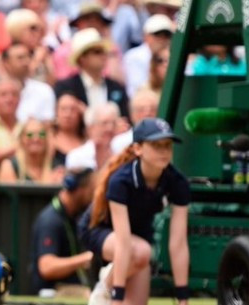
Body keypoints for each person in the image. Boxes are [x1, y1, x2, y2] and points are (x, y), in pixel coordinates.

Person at [80, 118, 190, 305]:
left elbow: (178, 243)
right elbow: (123, 244)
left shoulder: (177, 181)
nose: (164, 151)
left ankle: (111, 277)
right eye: (156, 145)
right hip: (99, 231)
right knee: (140, 251)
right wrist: (115, 295)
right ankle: (104, 286)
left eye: (168, 146)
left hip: (137, 242)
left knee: (140, 254)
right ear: (138, 149)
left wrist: (183, 299)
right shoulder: (121, 181)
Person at [30, 168, 95, 297]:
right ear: (79, 189)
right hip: (53, 291)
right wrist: (85, 259)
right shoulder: (50, 221)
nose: (93, 196)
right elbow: (47, 267)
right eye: (91, 190)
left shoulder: (73, 216)